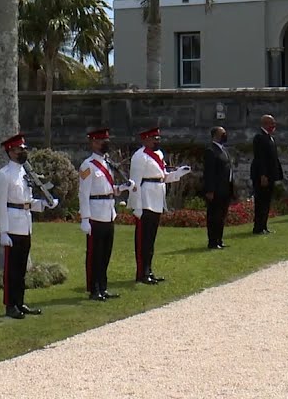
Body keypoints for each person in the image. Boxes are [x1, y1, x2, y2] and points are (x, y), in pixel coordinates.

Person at [0, 133, 58, 318]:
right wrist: (3, 231)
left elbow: (27, 200)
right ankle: (10, 304)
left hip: (25, 222)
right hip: (12, 225)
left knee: (21, 269)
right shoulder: (4, 175)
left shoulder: (26, 172)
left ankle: (20, 302)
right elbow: (0, 204)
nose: (23, 152)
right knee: (11, 269)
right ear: (10, 152)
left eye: (24, 149)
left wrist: (44, 204)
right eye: (19, 149)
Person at [128, 127, 190, 284]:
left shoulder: (159, 155)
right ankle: (141, 273)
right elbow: (134, 183)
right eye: (154, 138)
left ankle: (148, 270)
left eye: (158, 138)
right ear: (145, 139)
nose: (157, 141)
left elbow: (162, 177)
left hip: (156, 199)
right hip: (145, 200)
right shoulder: (140, 156)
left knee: (151, 239)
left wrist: (178, 174)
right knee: (143, 239)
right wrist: (137, 206)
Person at [78, 128, 131, 300]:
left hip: (108, 212)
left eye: (106, 140)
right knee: (95, 254)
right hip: (95, 214)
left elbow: (109, 189)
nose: (105, 144)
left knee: (106, 253)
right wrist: (85, 218)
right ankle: (94, 289)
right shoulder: (88, 166)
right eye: (101, 141)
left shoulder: (108, 163)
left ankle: (103, 286)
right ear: (93, 143)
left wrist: (122, 188)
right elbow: (84, 194)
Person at [202, 126, 234, 249]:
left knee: (222, 216)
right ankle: (212, 241)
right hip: (216, 190)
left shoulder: (224, 150)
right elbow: (209, 172)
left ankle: (219, 240)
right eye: (222, 134)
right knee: (214, 216)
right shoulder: (211, 150)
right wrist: (210, 190)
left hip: (225, 188)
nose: (225, 135)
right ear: (215, 135)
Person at [250, 115, 283, 234]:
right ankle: (258, 227)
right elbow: (260, 158)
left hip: (270, 175)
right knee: (261, 202)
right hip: (262, 176)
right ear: (264, 123)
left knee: (266, 201)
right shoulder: (259, 137)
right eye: (271, 123)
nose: (273, 126)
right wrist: (263, 175)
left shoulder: (270, 138)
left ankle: (263, 225)